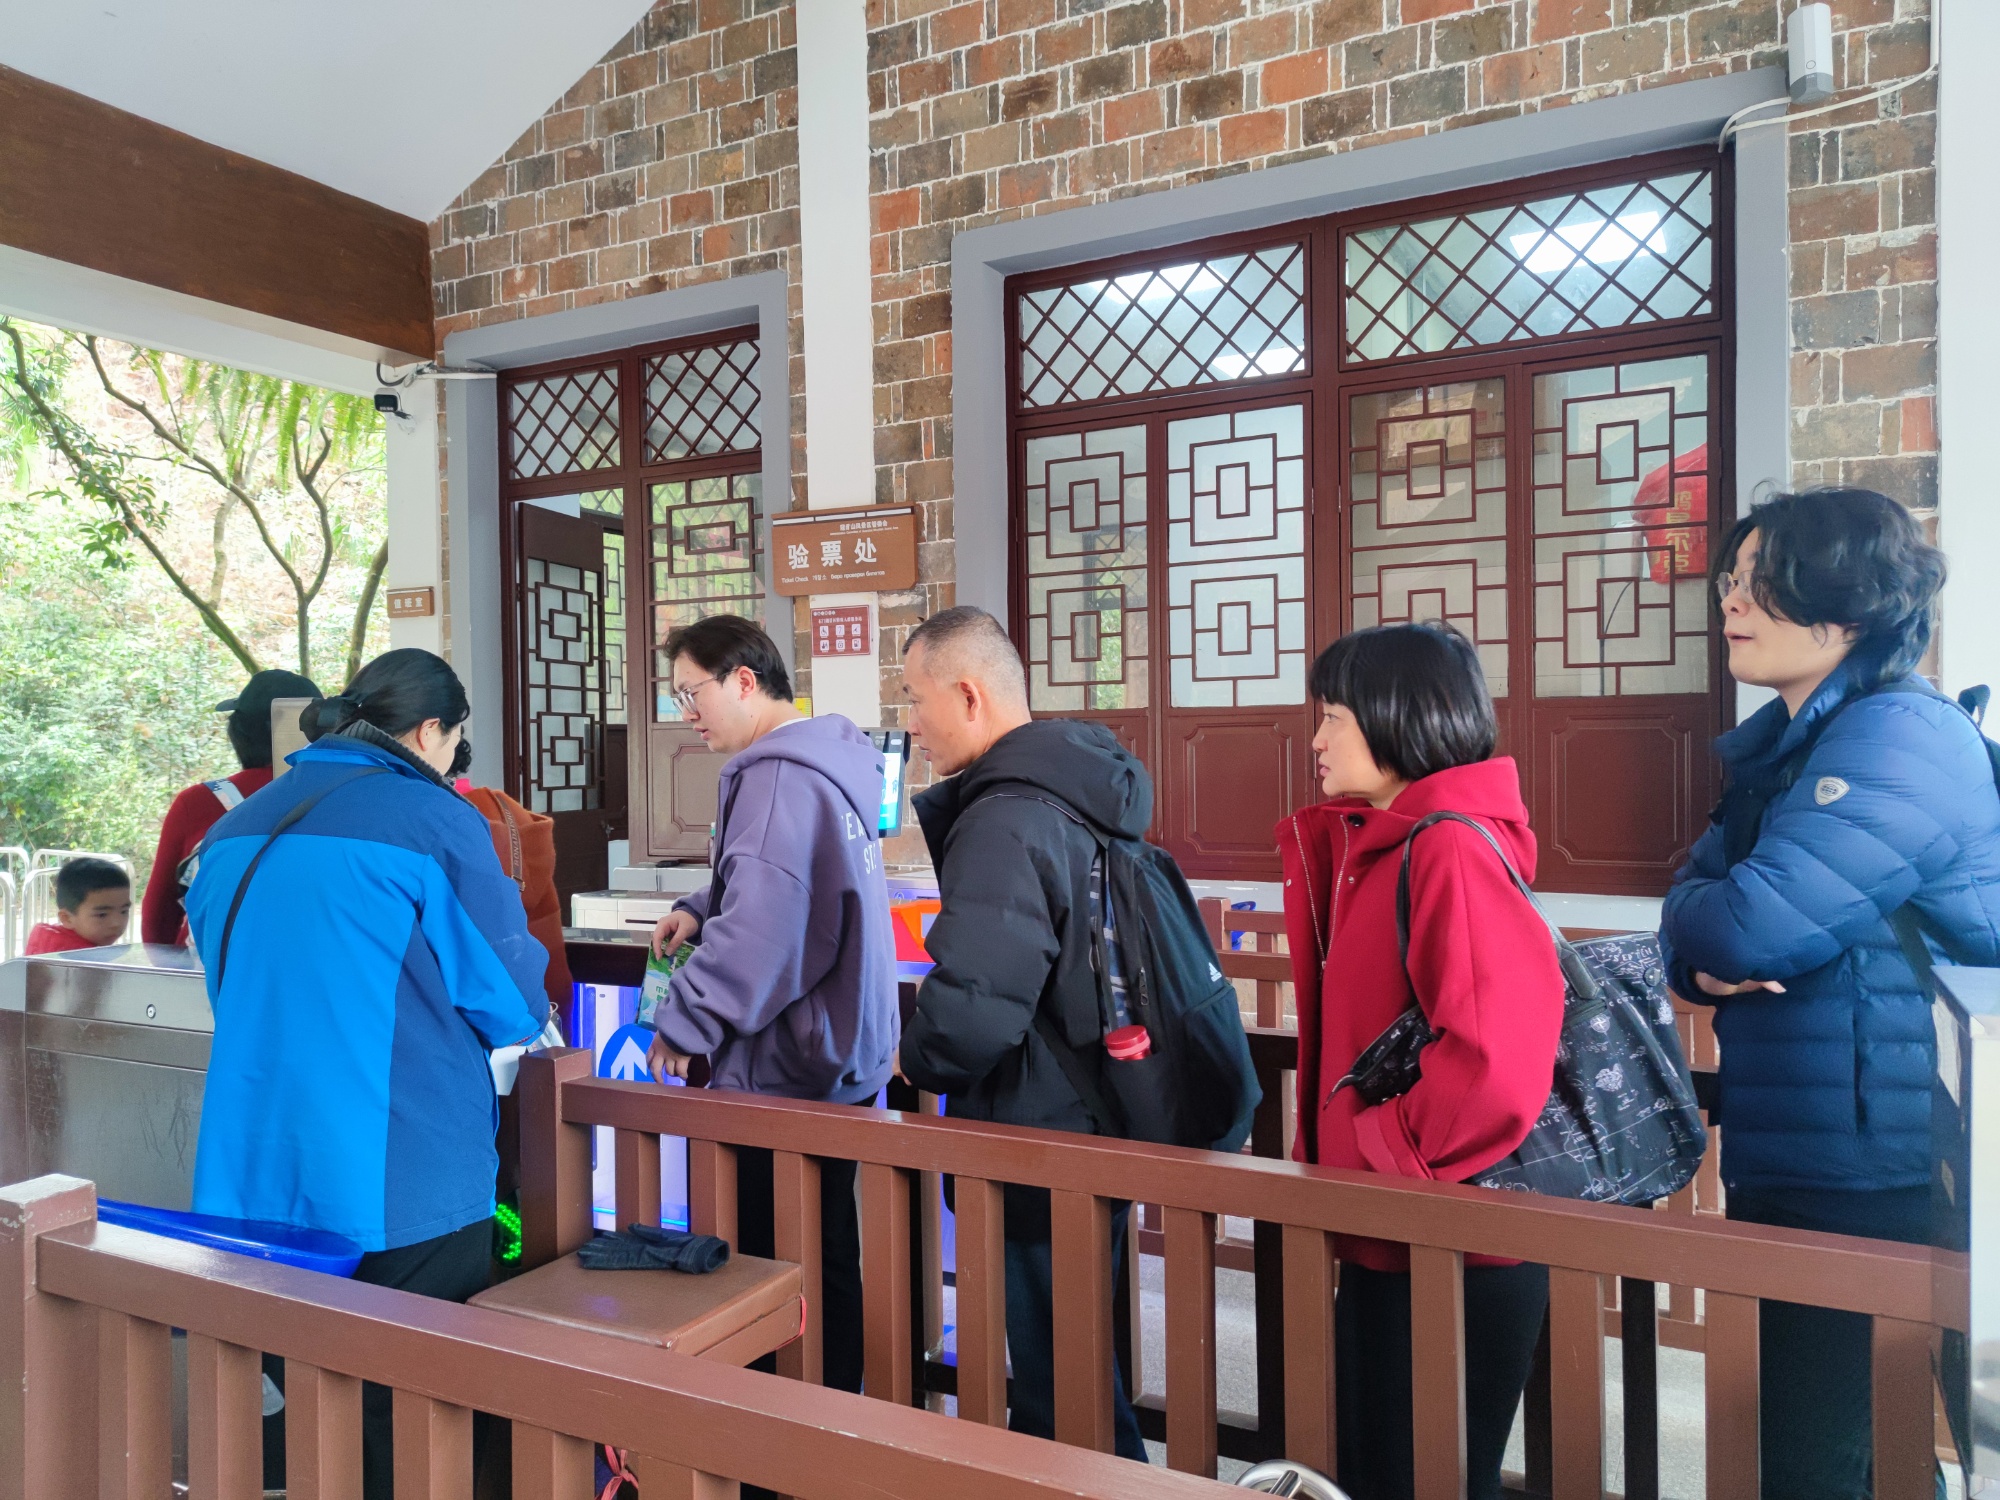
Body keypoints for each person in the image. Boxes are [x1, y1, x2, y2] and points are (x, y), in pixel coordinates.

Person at [1659, 489, 2000, 1499]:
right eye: (1729, 581)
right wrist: (1698, 950)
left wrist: (1707, 935)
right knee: (1840, 1448)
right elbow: (1686, 920)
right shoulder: (1793, 741)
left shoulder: (1902, 736)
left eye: (1760, 582)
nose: (1730, 602)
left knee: (1826, 1460)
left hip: (1894, 1162)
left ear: (1848, 604)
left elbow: (1740, 925)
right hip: (1814, 1144)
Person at [185, 648, 548, 1500]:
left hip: (253, 1178)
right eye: (454, 742)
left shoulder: (232, 830)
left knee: (316, 1408)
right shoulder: (434, 821)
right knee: (416, 1426)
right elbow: (512, 1003)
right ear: (430, 732)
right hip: (400, 1175)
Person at [1278, 623, 1563, 1500]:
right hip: (1400, 1224)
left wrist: (1378, 1152)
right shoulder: (1389, 843)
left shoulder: (1447, 844)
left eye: (1333, 717)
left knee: (1423, 1479)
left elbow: (1491, 1063)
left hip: (1451, 1239)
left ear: (1400, 716)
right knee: (1377, 1473)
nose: (1317, 740)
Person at [895, 605, 1150, 1461]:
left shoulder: (1005, 815)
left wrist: (916, 1055)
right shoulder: (1074, 785)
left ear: (969, 696)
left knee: (1058, 1381)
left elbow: (976, 999)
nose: (910, 722)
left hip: (1036, 1129)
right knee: (1080, 1355)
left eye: (915, 698)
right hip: (1093, 1105)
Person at [643, 614, 898, 1398]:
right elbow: (783, 885)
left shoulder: (777, 776)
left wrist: (686, 1021)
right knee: (826, 1245)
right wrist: (700, 905)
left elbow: (765, 927)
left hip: (785, 1066)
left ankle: (785, 1418)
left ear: (744, 682)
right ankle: (833, 1404)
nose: (687, 713)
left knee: (772, 1260)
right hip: (837, 1053)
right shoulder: (828, 758)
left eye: (691, 693)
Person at [141, 668, 320, 945]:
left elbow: (158, 921)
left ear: (241, 732)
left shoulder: (198, 803)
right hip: (309, 961)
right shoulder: (348, 798)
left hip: (211, 966)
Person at [24, 856, 132, 954]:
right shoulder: (81, 959)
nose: (116, 923)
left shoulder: (46, 940)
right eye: (102, 915)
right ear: (67, 918)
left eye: (124, 911)